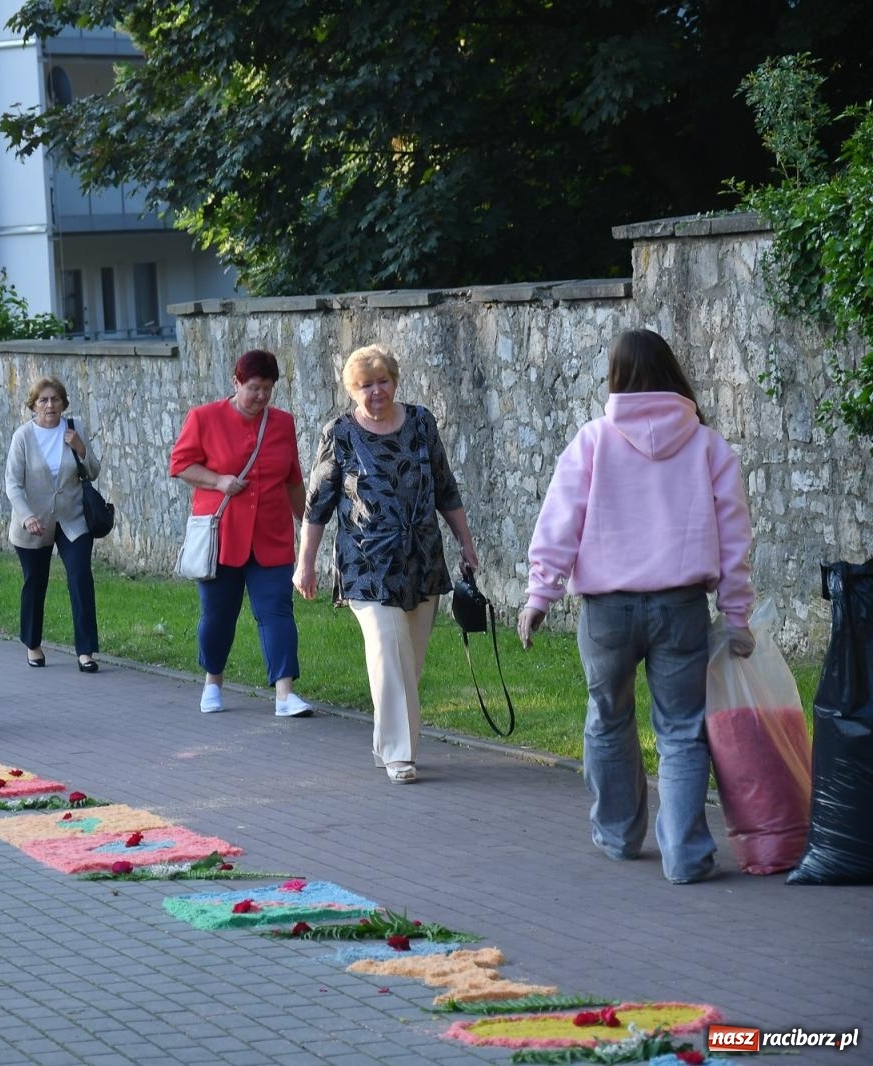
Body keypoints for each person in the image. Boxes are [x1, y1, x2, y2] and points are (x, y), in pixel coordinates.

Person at [519, 328, 755, 884]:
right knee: (681, 730)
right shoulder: (709, 446)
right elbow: (735, 539)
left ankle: (620, 836)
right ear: (674, 373)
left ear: (616, 376)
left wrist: (540, 595)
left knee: (608, 717)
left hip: (606, 610)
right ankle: (687, 856)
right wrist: (737, 615)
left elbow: (559, 523)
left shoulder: (593, 441)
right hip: (681, 607)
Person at [295, 345, 477, 785]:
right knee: (388, 651)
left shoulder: (420, 422)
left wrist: (466, 546)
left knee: (407, 663)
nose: (375, 392)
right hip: (367, 565)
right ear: (352, 390)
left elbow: (446, 488)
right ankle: (400, 755)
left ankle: (387, 742)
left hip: (422, 559)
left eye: (382, 382)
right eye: (364, 385)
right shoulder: (339, 432)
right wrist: (305, 564)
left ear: (394, 381)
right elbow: (317, 505)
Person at [169, 349, 310, 718]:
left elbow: (292, 479)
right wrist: (218, 481)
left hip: (271, 535)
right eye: (253, 388)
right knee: (218, 615)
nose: (261, 396)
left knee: (277, 611)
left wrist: (308, 525)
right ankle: (212, 681)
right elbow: (180, 464)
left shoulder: (282, 423)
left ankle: (284, 694)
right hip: (222, 536)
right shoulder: (204, 418)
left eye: (267, 388)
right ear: (235, 383)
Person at [4, 376, 103, 672]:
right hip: (34, 522)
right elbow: (12, 484)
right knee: (35, 582)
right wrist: (27, 515)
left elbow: (94, 471)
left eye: (55, 399)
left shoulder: (74, 428)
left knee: (80, 578)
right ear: (33, 405)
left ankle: (85, 652)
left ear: (63, 403)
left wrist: (81, 448)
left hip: (73, 518)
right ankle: (33, 645)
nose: (50, 405)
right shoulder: (23, 436)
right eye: (43, 400)